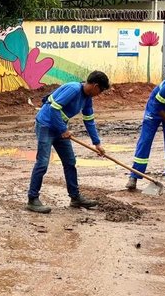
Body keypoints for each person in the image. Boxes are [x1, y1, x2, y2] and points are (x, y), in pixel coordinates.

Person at [27, 71, 110, 213]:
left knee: (70, 162)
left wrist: (97, 143)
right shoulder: (73, 89)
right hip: (46, 125)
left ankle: (75, 197)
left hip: (60, 128)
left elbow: (89, 120)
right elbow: (53, 109)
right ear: (95, 86)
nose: (99, 94)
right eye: (101, 90)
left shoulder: (87, 98)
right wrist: (63, 129)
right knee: (42, 162)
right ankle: (32, 199)